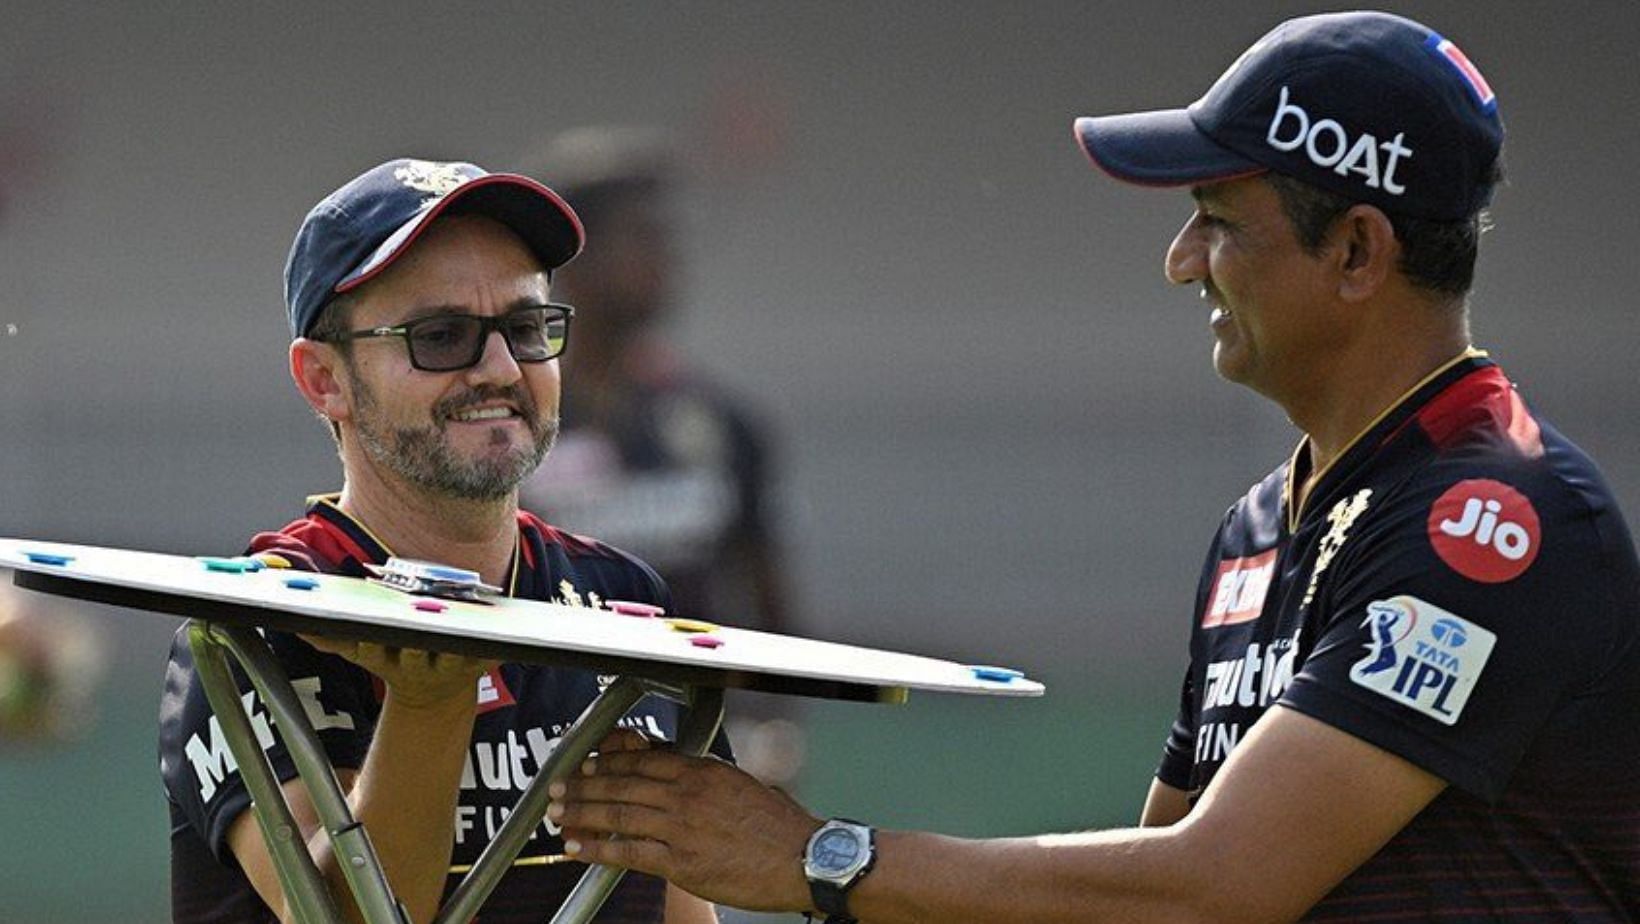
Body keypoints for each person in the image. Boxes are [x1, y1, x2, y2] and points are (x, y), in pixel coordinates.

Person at [545, 11, 1640, 923]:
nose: (1180, 265)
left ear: (1354, 251)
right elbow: (1139, 889)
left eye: (1215, 224)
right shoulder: (1260, 523)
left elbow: (1217, 885)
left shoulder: (1490, 521)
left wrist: (818, 859)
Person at [157, 158, 723, 924]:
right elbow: (341, 913)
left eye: (525, 329)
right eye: (442, 336)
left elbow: (682, 909)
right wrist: (431, 700)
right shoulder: (253, 622)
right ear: (324, 378)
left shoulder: (623, 596)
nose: (499, 370)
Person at [516, 127, 802, 784]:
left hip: (696, 756)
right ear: (573, 262)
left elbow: (769, 595)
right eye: (642, 237)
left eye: (667, 238)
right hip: (539, 759)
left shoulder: (722, 422)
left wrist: (775, 729)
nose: (667, 258)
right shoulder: (506, 418)